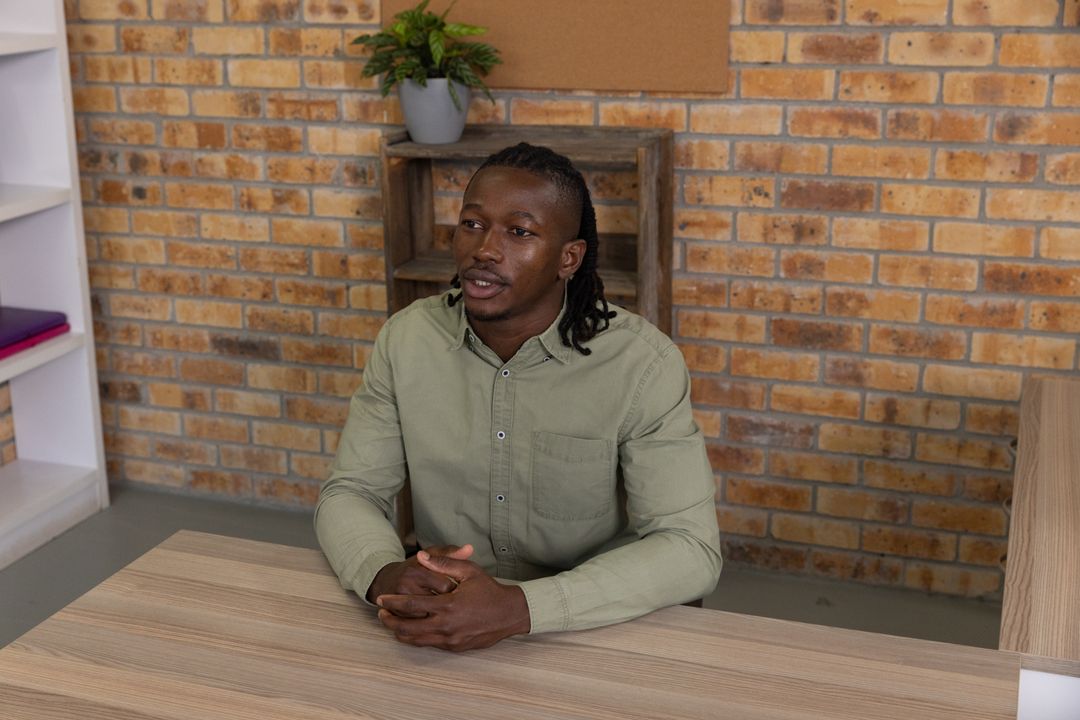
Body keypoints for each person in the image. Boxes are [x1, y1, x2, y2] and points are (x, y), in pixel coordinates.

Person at [315, 143, 722, 652]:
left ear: (568, 258)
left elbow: (690, 547)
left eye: (520, 232)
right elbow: (351, 491)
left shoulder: (643, 365)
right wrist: (382, 571)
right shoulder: (406, 341)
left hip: (588, 625)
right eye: (472, 224)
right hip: (444, 616)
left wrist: (522, 608)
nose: (484, 249)